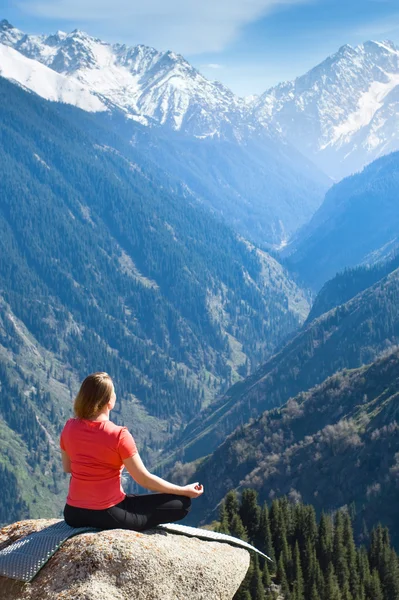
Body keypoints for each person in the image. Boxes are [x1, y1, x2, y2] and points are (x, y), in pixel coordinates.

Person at [60, 372, 203, 531]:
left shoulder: (69, 427)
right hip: (107, 514)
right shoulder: (118, 435)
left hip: (73, 514)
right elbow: (144, 479)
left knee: (132, 501)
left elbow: (68, 467)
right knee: (181, 504)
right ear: (109, 401)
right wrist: (184, 491)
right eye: (113, 392)